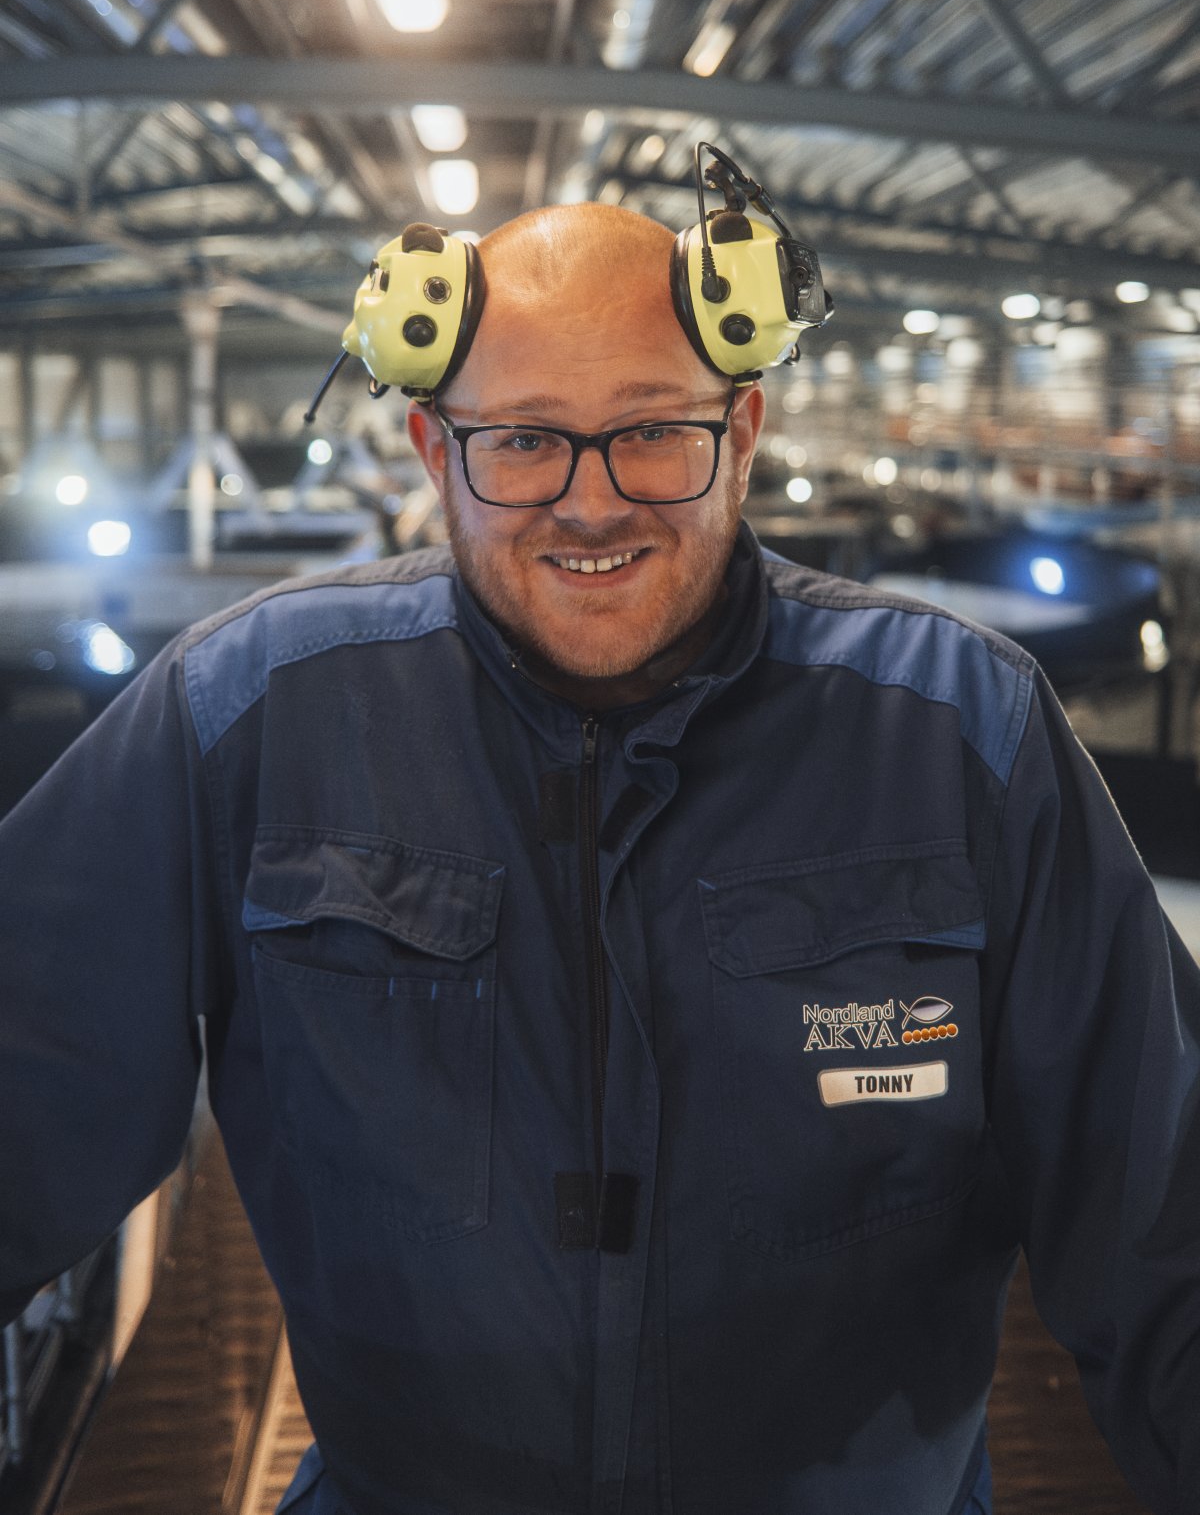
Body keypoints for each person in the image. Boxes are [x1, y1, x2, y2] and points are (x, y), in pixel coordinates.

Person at [1, 198, 1197, 1515]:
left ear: (740, 433)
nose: (590, 500)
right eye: (521, 441)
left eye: (650, 431)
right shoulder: (249, 715)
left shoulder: (965, 736)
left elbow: (1167, 1228)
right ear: (431, 449)